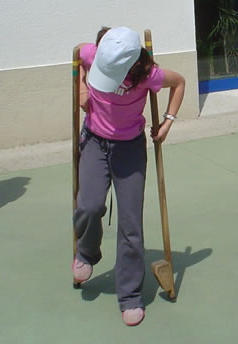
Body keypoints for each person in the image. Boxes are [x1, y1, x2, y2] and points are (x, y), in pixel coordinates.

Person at [72, 26, 185, 326]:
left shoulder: (149, 75)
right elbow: (79, 52)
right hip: (94, 141)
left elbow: (179, 82)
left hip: (129, 148)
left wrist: (167, 123)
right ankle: (86, 252)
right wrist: (82, 88)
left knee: (130, 223)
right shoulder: (94, 53)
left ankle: (130, 294)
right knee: (89, 205)